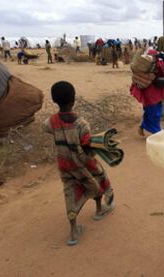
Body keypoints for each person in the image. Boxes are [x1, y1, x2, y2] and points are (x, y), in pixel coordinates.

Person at [43, 81, 115, 246]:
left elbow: (45, 127)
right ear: (73, 99)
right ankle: (99, 210)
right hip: (83, 163)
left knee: (69, 193)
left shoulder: (51, 121)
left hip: (65, 165)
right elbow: (87, 143)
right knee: (96, 178)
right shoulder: (81, 123)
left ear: (55, 100)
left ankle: (74, 231)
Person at [130, 49, 164, 136]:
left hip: (146, 92)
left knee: (149, 111)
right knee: (155, 113)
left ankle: (142, 126)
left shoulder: (143, 66)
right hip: (153, 93)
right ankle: (157, 132)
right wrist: (162, 56)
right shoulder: (158, 64)